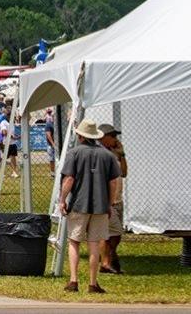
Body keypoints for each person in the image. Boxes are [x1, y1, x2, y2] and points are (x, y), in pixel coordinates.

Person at [60, 120, 120, 293]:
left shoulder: (75, 153)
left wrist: (62, 199)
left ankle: (73, 281)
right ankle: (93, 283)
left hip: (79, 204)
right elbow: (113, 182)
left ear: (80, 135)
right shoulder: (107, 155)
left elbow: (69, 179)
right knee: (94, 244)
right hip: (101, 207)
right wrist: (109, 203)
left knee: (74, 241)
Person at [99, 124, 128, 275]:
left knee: (116, 235)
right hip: (107, 201)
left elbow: (123, 173)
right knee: (108, 233)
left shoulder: (114, 153)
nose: (116, 139)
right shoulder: (101, 154)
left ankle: (110, 259)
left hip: (117, 200)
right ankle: (105, 263)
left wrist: (121, 154)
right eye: (113, 136)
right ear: (103, 137)